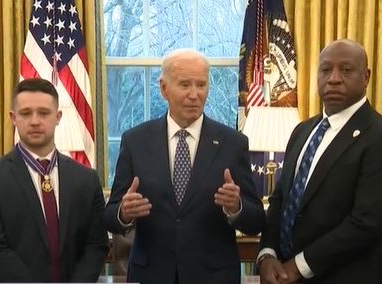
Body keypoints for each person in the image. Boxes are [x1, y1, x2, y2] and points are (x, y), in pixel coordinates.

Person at [104, 49, 265, 284]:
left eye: (201, 85)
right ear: (163, 88)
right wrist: (124, 213)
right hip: (151, 276)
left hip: (214, 277)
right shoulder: (135, 141)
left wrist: (236, 207)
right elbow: (110, 217)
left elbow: (256, 220)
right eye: (185, 85)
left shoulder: (233, 143)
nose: (194, 94)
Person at [257, 39, 382, 284]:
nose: (334, 78)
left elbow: (367, 223)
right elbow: (280, 199)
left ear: (366, 77)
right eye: (326, 70)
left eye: (346, 70)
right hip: (285, 274)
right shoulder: (302, 131)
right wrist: (267, 254)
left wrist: (298, 266)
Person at [0, 78, 108, 282]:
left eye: (43, 113)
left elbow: (96, 245)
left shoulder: (86, 179)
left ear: (57, 117)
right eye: (25, 113)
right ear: (13, 118)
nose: (35, 121)